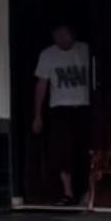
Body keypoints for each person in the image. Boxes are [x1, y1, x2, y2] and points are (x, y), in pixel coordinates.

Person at [31, 23, 94, 206]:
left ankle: (90, 191)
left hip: (83, 107)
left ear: (72, 34)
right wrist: (37, 115)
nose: (61, 40)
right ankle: (68, 192)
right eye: (57, 36)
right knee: (62, 151)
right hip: (60, 108)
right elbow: (41, 85)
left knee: (84, 150)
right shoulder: (48, 55)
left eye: (64, 35)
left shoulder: (85, 50)